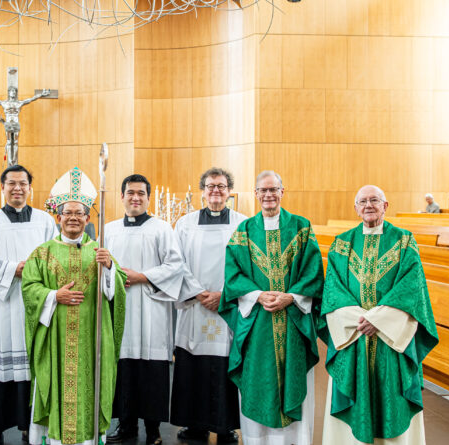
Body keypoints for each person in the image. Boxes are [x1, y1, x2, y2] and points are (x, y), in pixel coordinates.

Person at [320, 185, 438, 444]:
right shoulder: (341, 244)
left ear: (386, 206)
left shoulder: (404, 241)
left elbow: (411, 289)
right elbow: (333, 290)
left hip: (391, 339)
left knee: (392, 397)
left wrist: (379, 321)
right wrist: (362, 322)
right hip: (354, 337)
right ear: (355, 208)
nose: (368, 205)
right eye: (362, 201)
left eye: (375, 200)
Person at [22, 167, 128, 445]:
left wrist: (109, 269)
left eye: (78, 213)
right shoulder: (42, 253)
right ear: (58, 217)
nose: (72, 218)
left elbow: (115, 292)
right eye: (67, 213)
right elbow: (29, 288)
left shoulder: (100, 251)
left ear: (88, 218)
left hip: (92, 340)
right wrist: (53, 296)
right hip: (55, 338)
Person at [219, 170, 324, 445]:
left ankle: (296, 440)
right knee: (257, 382)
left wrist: (292, 297)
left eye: (273, 190)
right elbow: (233, 274)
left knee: (294, 379)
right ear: (255, 195)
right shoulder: (243, 231)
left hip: (292, 321)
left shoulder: (302, 227)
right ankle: (258, 440)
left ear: (282, 191)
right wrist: (257, 295)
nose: (268, 195)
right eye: (263, 191)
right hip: (258, 323)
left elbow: (314, 273)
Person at [0, 165, 59, 445]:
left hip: (35, 305)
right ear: (2, 188)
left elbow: (55, 258)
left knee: (30, 367)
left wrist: (35, 275)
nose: (17, 188)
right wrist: (14, 269)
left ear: (30, 188)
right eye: (12, 183)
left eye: (23, 183)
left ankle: (29, 427)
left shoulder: (45, 221)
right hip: (1, 306)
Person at [104, 174, 185, 445]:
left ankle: (153, 429)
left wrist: (142, 276)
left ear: (148, 198)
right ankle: (125, 424)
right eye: (130, 192)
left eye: (141, 193)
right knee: (123, 368)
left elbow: (175, 266)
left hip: (151, 310)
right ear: (122, 196)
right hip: (120, 309)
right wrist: (112, 278)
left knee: (151, 372)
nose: (135, 197)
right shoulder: (109, 229)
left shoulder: (162, 228)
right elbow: (100, 267)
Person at [170, 168, 246, 444]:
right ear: (202, 191)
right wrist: (200, 293)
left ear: (229, 191)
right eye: (211, 186)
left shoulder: (243, 224)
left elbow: (247, 266)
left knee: (225, 365)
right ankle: (195, 425)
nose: (216, 190)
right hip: (195, 307)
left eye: (222, 186)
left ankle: (225, 425)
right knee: (193, 367)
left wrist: (223, 295)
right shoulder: (185, 224)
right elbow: (176, 263)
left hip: (227, 308)